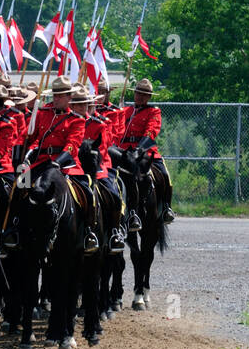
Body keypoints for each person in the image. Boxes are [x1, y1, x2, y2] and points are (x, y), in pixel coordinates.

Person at [25, 76, 99, 254]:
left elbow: (72, 146)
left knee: (87, 191)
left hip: (66, 165)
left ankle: (89, 232)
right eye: (55, 95)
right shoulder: (42, 114)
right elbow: (35, 140)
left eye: (61, 95)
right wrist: (29, 151)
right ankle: (14, 227)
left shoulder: (76, 119)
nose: (57, 98)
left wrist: (58, 163)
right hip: (40, 163)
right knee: (18, 186)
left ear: (69, 98)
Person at [71, 84, 125, 252]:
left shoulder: (98, 124)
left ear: (89, 105)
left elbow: (101, 150)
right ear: (71, 105)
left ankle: (115, 232)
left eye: (83, 104)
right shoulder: (65, 122)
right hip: (71, 165)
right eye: (77, 104)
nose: (80, 108)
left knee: (114, 195)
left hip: (96, 166)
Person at [116, 78, 175, 225]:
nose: (139, 96)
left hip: (145, 151)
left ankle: (167, 207)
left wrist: (139, 149)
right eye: (138, 93)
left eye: (144, 94)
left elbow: (151, 132)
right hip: (123, 151)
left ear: (149, 97)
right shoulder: (125, 111)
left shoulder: (153, 111)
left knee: (165, 174)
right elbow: (116, 132)